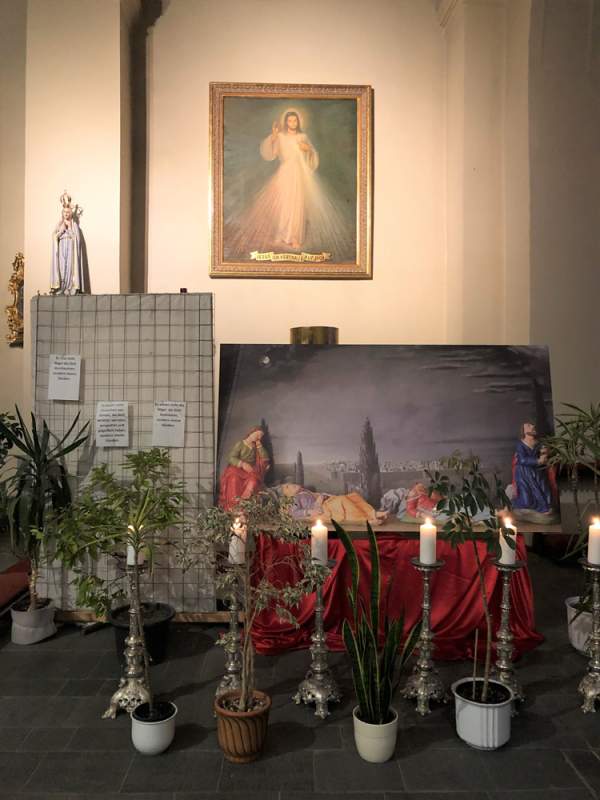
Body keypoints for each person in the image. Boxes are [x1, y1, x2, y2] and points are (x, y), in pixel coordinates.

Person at [227, 109, 353, 258]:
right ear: (285, 122)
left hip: (299, 175)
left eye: (295, 120)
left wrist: (308, 149)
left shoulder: (302, 137)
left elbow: (312, 155)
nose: (292, 123)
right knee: (284, 204)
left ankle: (295, 237)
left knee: (297, 204)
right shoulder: (280, 136)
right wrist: (274, 135)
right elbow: (270, 153)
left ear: (298, 122)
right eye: (290, 120)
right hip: (284, 173)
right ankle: (281, 234)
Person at [282, 483, 390, 525]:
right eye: (290, 487)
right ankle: (370, 518)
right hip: (321, 510)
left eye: (292, 484)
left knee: (354, 496)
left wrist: (321, 496)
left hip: (326, 503)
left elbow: (322, 496)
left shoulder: (306, 491)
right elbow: (294, 512)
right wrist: (310, 512)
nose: (293, 485)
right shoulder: (294, 498)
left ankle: (373, 512)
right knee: (342, 501)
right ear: (289, 493)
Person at [218, 426, 270, 511]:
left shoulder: (256, 446)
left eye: (261, 436)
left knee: (253, 482)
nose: (259, 437)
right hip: (237, 469)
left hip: (250, 471)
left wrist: (259, 445)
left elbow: (265, 458)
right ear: (252, 432)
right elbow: (231, 457)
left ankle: (242, 503)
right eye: (258, 435)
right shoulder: (241, 443)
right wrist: (242, 464)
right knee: (233, 480)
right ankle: (233, 507)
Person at [511, 422, 557, 513]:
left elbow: (545, 454)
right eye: (528, 426)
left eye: (532, 426)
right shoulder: (520, 444)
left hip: (538, 472)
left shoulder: (540, 443)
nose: (532, 427)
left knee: (547, 499)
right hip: (524, 474)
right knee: (527, 502)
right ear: (524, 431)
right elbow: (522, 460)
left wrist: (544, 453)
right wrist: (537, 461)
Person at [51, 194, 83, 295]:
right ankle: (61, 287)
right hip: (61, 248)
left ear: (71, 214)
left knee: (69, 267)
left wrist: (69, 229)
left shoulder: (74, 225)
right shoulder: (59, 225)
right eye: (64, 212)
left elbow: (76, 238)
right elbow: (54, 236)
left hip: (70, 249)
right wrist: (62, 231)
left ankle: (69, 287)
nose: (66, 214)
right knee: (61, 267)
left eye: (68, 212)